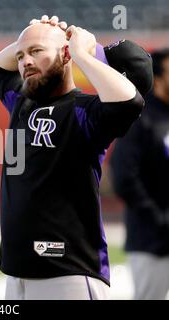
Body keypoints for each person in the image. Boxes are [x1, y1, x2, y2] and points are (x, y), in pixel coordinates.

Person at [0, 15, 152, 299]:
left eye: (36, 52)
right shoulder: (21, 102)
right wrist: (34, 36)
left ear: (65, 55)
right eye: (21, 56)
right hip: (17, 272)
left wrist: (79, 53)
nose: (25, 61)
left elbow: (130, 102)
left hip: (68, 271)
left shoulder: (86, 112)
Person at [110, 48, 169, 300]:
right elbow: (124, 176)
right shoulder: (140, 118)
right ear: (158, 78)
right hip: (151, 241)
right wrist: (158, 218)